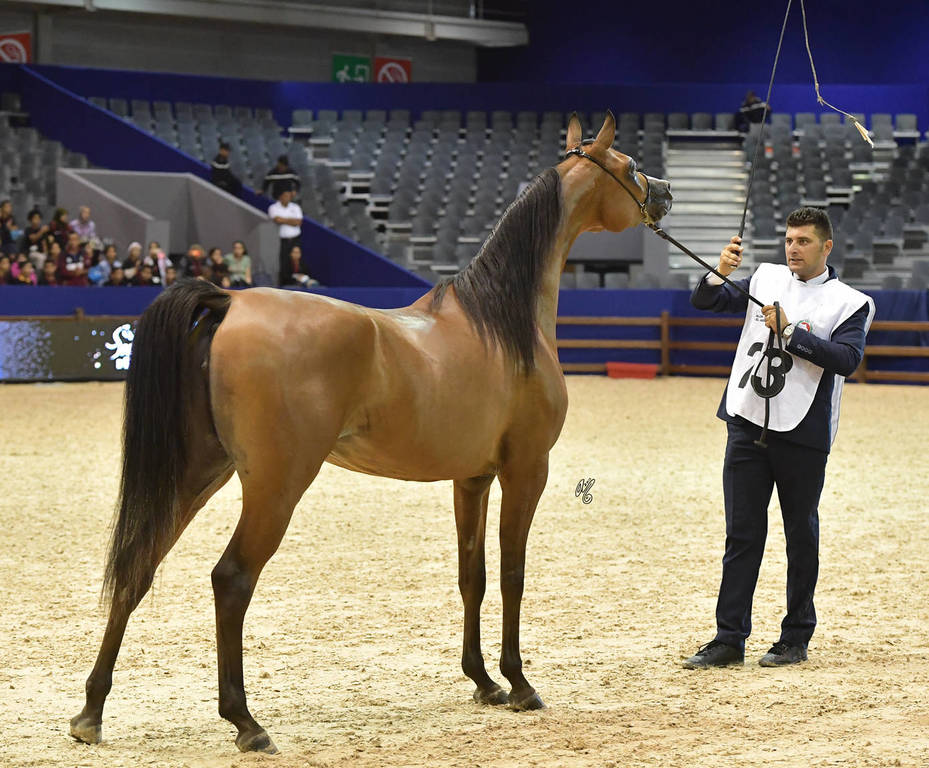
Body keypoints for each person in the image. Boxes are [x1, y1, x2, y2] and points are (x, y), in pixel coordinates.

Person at [682, 207, 874, 670]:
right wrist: (718, 274)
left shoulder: (851, 302)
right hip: (747, 420)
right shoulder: (765, 277)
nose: (793, 248)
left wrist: (788, 332)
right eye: (789, 239)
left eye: (804, 241)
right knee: (741, 534)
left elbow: (847, 360)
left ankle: (795, 636)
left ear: (826, 247)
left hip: (804, 432)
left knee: (799, 535)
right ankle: (729, 638)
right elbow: (707, 303)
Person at [268, 188, 303, 286]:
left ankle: (297, 283)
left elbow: (298, 222)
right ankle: (283, 284)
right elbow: (277, 220)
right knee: (283, 262)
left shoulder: (295, 207)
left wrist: (284, 220)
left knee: (296, 260)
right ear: (280, 196)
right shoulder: (273, 207)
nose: (288, 198)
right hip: (281, 241)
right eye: (286, 196)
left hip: (295, 239)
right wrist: (292, 221)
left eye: (289, 196)